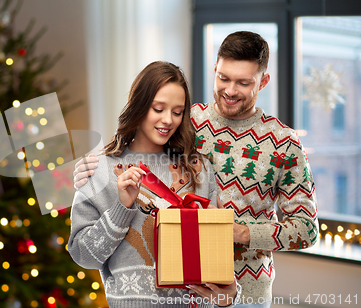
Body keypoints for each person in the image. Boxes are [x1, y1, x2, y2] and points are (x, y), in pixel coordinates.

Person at [73, 32, 319, 308]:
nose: (230, 90)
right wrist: (90, 170)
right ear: (215, 68)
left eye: (243, 82)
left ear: (263, 82)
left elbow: (307, 229)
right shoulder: (189, 120)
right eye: (224, 78)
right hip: (184, 289)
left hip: (247, 292)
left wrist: (239, 232)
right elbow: (139, 144)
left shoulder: (284, 142)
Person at [68, 61, 241, 307]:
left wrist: (228, 296)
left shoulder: (199, 169)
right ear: (139, 106)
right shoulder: (99, 170)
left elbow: (214, 263)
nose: (168, 120)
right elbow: (83, 256)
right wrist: (121, 208)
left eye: (177, 112)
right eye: (158, 108)